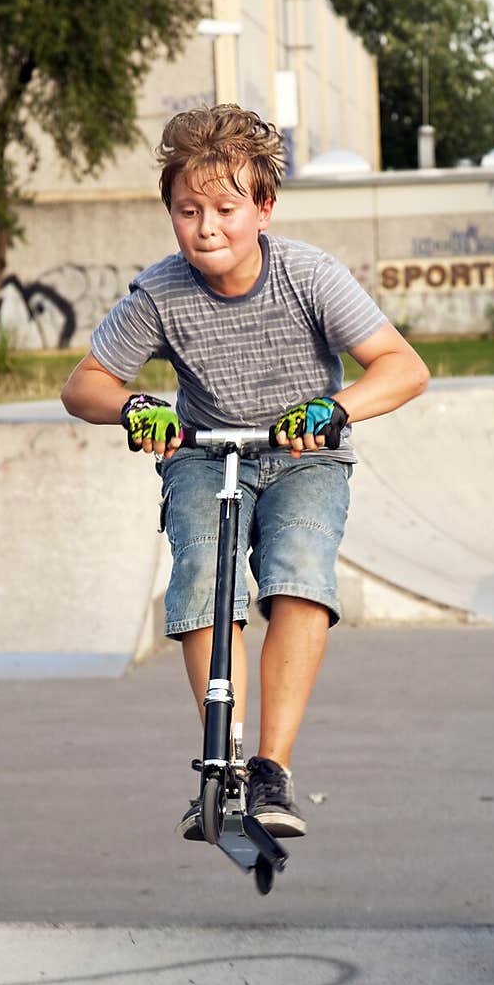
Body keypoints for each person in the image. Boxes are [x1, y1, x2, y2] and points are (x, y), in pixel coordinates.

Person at [61, 104, 430, 840]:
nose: (206, 228)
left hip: (304, 455)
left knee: (298, 568)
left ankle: (271, 769)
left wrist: (335, 408)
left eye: (226, 209)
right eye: (187, 210)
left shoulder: (309, 277)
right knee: (203, 573)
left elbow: (405, 368)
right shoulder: (161, 291)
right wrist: (137, 405)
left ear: (262, 208)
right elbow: (84, 384)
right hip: (204, 452)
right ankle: (221, 760)